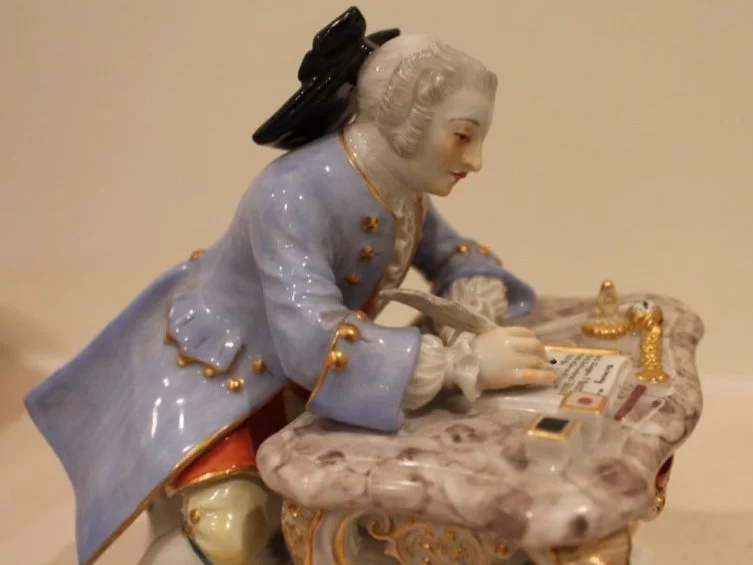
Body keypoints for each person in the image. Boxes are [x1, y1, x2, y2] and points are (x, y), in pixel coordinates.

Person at [25, 9, 556, 565]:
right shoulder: (292, 193)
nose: (475, 161)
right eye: (463, 136)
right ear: (406, 119)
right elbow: (315, 342)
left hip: (312, 386)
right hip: (225, 383)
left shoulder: (402, 186)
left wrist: (473, 297)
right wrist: (461, 364)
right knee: (233, 532)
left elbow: (451, 253)